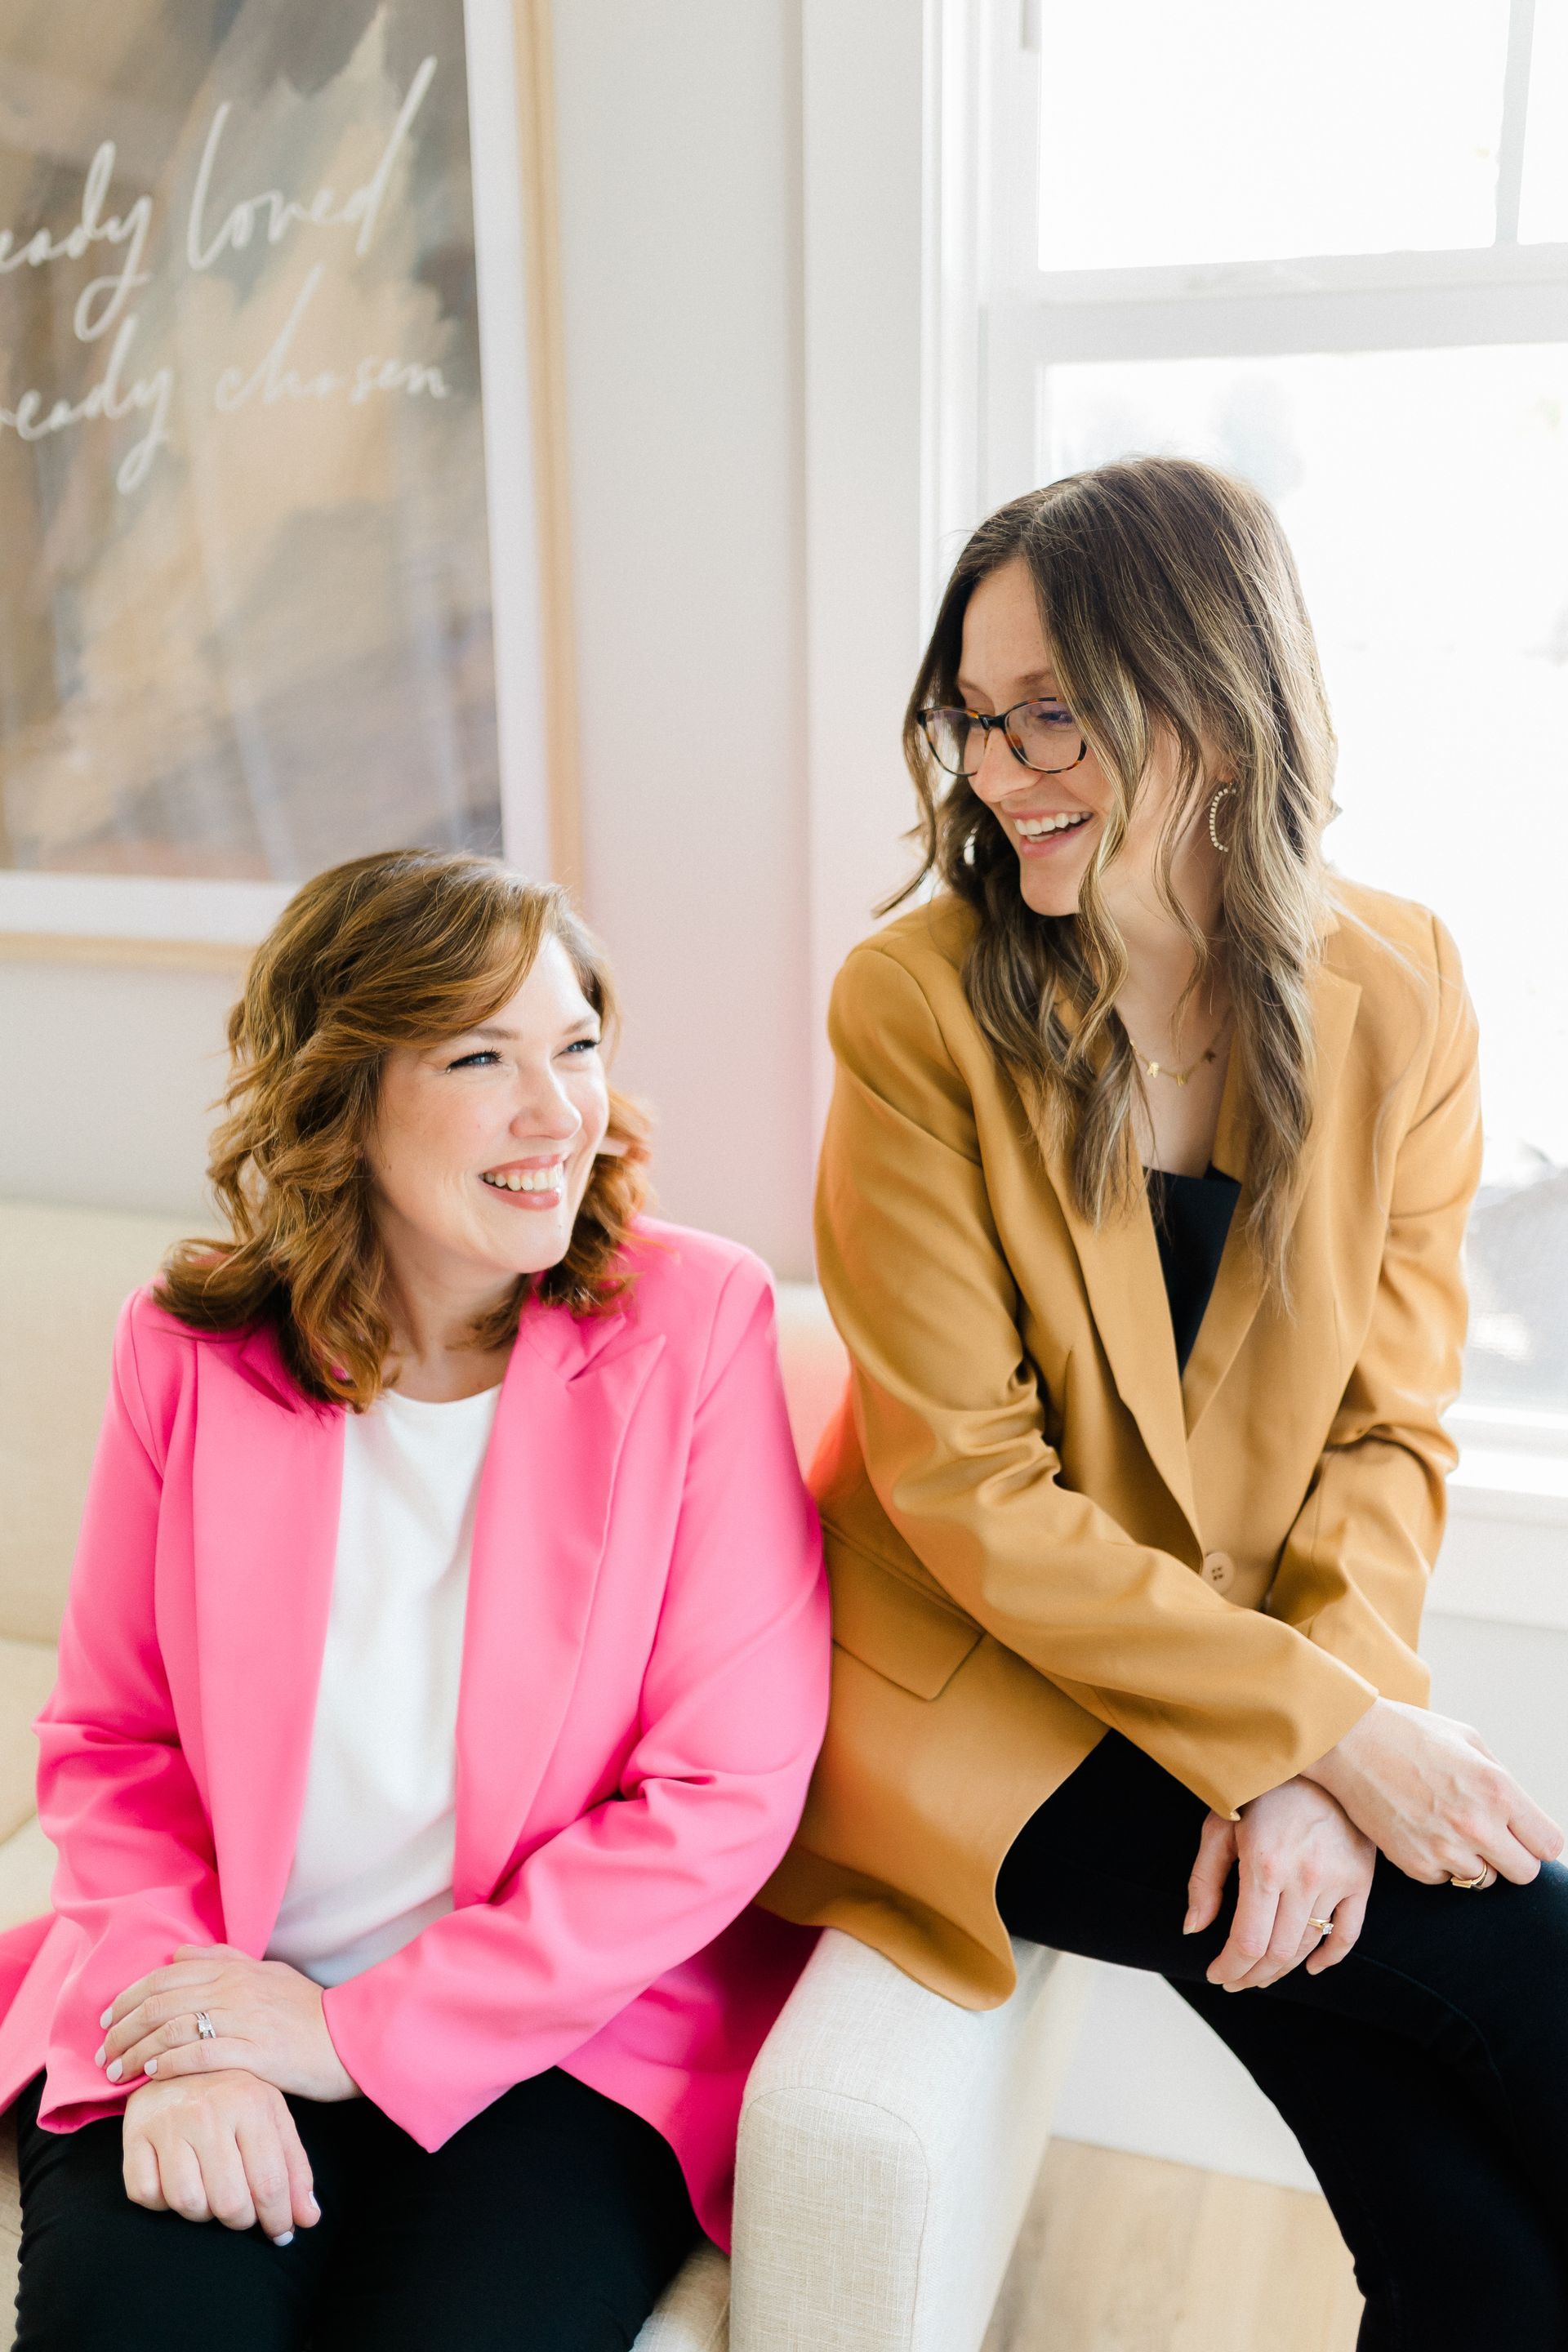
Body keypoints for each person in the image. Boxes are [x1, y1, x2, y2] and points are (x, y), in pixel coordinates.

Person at [762, 457, 1568, 2345]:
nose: (999, 765)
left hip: (1239, 1680)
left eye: (1051, 711)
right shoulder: (919, 1006)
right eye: (974, 718)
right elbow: (962, 1485)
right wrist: (1306, 1739)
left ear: (1211, 695)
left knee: (1460, 2228)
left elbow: (1389, 1427)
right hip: (976, 1687)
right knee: (1524, 1958)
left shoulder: (1408, 987)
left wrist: (1319, 1738)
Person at [0, 849, 829, 2352]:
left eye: (575, 1047)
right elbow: (116, 1743)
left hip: (555, 2047)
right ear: (345, 1093)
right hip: (224, 1988)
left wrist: (352, 2034)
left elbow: (724, 1792)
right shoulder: (189, 1350)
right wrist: (194, 2045)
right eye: (480, 1057)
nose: (554, 1109)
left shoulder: (696, 1323)